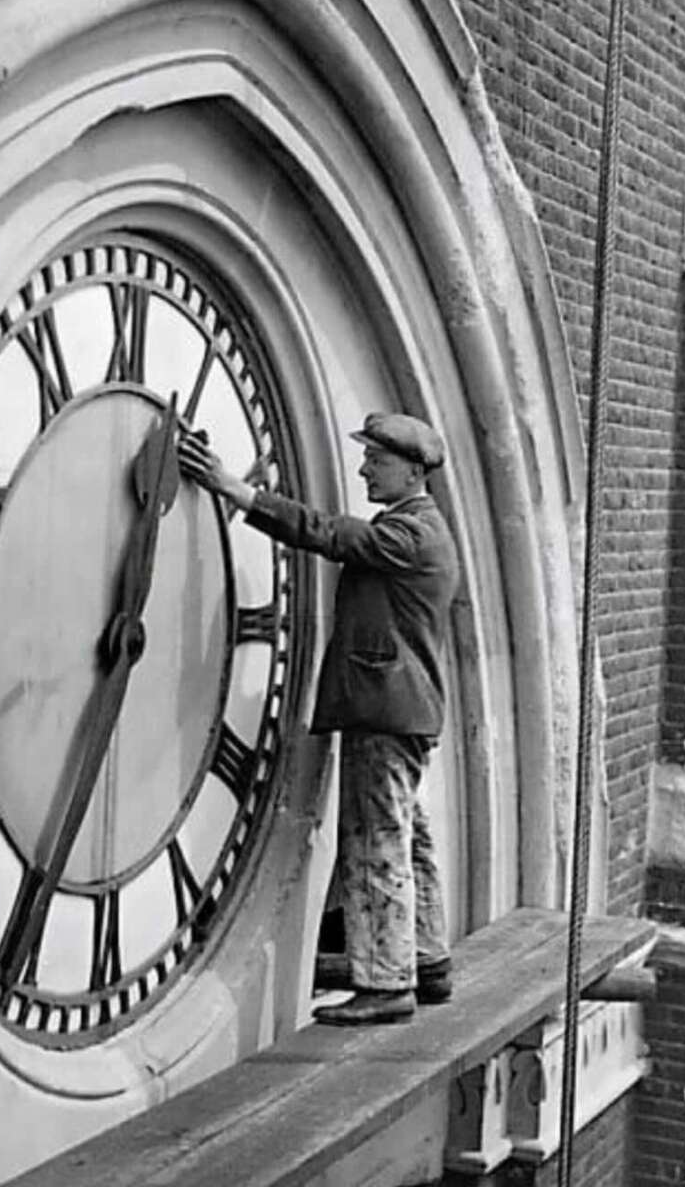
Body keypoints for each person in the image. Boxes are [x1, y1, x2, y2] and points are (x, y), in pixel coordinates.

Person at [178, 411, 459, 1026]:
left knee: (375, 842)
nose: (364, 467)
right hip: (404, 711)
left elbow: (327, 533)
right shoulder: (423, 528)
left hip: (384, 715)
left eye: (376, 460)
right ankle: (427, 962)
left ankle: (386, 984)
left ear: (412, 470)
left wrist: (236, 489)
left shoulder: (408, 536)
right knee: (410, 837)